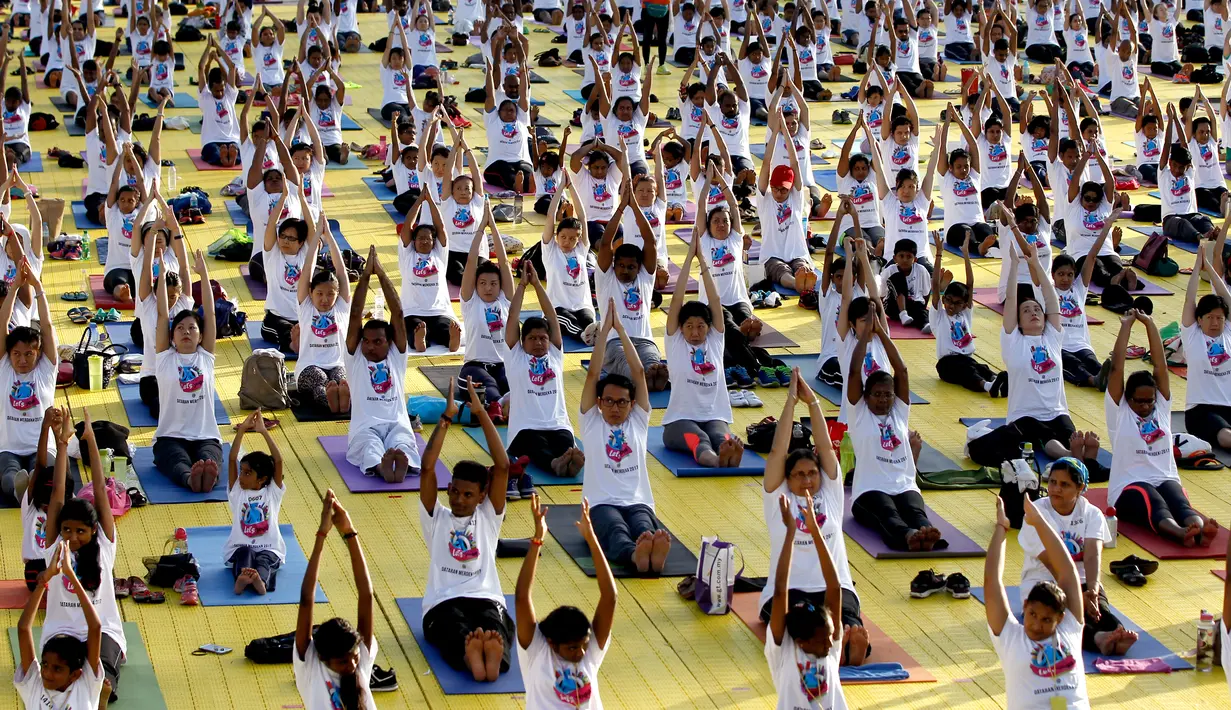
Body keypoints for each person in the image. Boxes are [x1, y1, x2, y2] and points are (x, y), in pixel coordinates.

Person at [967, 230, 1109, 485]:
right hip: (1026, 415)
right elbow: (1011, 299)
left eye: (1037, 309)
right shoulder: (1014, 341)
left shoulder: (1053, 337)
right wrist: (1013, 264)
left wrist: (1036, 263)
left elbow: (1051, 298)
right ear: (1018, 321)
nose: (1034, 312)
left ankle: (1080, 457)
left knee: (1069, 432)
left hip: (1057, 411)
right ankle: (1069, 456)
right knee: (1039, 432)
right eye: (1026, 310)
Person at [760, 370, 868, 665]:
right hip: (790, 589)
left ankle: (850, 639)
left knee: (846, 616)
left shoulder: (830, 493)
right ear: (787, 478)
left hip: (835, 585)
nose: (807, 480)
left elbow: (823, 446)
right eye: (799, 475)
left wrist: (813, 404)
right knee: (798, 623)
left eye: (811, 473)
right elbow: (777, 452)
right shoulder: (779, 497)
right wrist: (790, 404)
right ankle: (827, 641)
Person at [419, 378, 514, 682]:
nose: (459, 499)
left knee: (494, 625)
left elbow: (502, 467)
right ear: (448, 489)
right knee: (453, 627)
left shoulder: (488, 517)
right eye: (455, 492)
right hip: (443, 602)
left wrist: (481, 411)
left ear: (482, 496)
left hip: (486, 599)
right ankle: (472, 654)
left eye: (468, 495)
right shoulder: (436, 516)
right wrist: (447, 418)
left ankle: (488, 655)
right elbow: (427, 468)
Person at [581, 301, 672, 574]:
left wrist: (621, 330)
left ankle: (651, 551)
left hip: (638, 500)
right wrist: (606, 332)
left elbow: (639, 372)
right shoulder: (591, 420)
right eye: (609, 401)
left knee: (644, 526)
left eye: (622, 402)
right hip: (601, 503)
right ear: (599, 402)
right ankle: (636, 556)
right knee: (615, 530)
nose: (615, 407)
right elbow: (595, 373)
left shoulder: (638, 421)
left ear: (632, 405)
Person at [41, 409, 125, 702]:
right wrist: (61, 445)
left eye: (80, 531)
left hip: (102, 632)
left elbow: (100, 489)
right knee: (61, 680)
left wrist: (90, 440)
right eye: (66, 530)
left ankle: (104, 690)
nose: (72, 537)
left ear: (93, 530)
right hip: (62, 633)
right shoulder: (54, 547)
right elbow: (58, 495)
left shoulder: (105, 543)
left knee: (100, 674)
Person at [846, 305, 941, 553]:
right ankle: (908, 535)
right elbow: (855, 371)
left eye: (887, 395)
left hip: (904, 485)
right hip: (870, 491)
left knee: (915, 511)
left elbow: (902, 371)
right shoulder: (860, 414)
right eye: (877, 395)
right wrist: (866, 334)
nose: (883, 399)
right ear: (866, 397)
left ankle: (925, 532)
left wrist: (882, 333)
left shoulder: (899, 412)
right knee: (888, 513)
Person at [1022, 455, 1139, 656]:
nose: (1056, 489)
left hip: (1083, 582)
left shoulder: (1091, 513)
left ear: (1080, 488)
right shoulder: (1036, 513)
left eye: (1064, 484)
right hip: (1045, 582)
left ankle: (1116, 632)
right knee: (1058, 616)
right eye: (1053, 482)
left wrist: (1092, 591)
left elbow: (1093, 555)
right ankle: (1098, 639)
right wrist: (1076, 597)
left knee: (1099, 609)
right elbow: (1051, 563)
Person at [986, 495, 1090, 709]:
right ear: (1024, 607)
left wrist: (1038, 521)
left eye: (1046, 619)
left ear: (1060, 618)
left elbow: (1068, 572)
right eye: (1033, 615)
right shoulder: (1010, 637)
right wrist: (1001, 529)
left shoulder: (1070, 628)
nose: (1036, 624)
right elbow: (992, 581)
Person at [517, 492, 616, 706]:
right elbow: (522, 597)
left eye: (583, 645)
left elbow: (610, 597)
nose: (581, 653)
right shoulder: (537, 651)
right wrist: (537, 540)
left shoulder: (589, 652)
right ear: (552, 643)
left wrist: (592, 539)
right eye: (572, 648)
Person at [662, 224, 746, 466]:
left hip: (714, 415)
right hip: (679, 422)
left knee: (722, 437)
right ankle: (717, 461)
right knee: (699, 439)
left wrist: (705, 264)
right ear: (680, 328)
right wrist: (690, 258)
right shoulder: (675, 339)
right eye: (689, 326)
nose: (695, 332)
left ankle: (728, 453)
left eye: (700, 326)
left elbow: (715, 298)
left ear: (709, 328)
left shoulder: (715, 339)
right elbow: (677, 298)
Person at [295, 491, 379, 709]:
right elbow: (306, 599)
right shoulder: (311, 663)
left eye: (353, 657)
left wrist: (350, 533)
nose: (352, 664)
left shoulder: (360, 662)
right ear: (322, 658)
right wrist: (321, 535)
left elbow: (366, 596)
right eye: (343, 661)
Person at [505, 262, 584, 490]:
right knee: (536, 445)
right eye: (532, 338)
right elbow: (512, 317)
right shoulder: (516, 357)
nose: (539, 342)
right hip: (525, 429)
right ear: (522, 342)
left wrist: (539, 285)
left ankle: (565, 462)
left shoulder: (555, 354)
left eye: (543, 338)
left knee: (564, 443)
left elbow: (552, 314)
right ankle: (556, 465)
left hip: (558, 425)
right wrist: (522, 285)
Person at [766, 490, 848, 708]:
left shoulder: (830, 649)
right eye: (823, 640)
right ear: (802, 642)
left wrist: (814, 530)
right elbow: (780, 591)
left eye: (830, 636)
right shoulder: (783, 650)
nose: (831, 643)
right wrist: (790, 533)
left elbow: (834, 587)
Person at [345, 246, 420, 483]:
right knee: (369, 447)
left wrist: (382, 274)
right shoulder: (355, 357)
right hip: (365, 428)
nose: (369, 347)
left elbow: (397, 313)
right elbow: (355, 313)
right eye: (366, 342)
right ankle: (382, 468)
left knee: (404, 443)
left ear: (389, 342)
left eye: (377, 342)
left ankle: (401, 462)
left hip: (397, 424)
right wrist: (366, 275)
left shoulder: (396, 356)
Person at [152, 250, 222, 492]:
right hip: (170, 436)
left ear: (201, 335)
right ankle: (190, 479)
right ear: (171, 337)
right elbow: (162, 314)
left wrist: (203, 275)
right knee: (174, 460)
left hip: (205, 435)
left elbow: (210, 315)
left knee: (211, 457)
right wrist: (160, 277)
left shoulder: (205, 356)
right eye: (180, 328)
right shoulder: (165, 358)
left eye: (192, 328)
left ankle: (207, 475)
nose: (185, 332)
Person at [596, 183, 670, 391]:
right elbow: (604, 244)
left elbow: (650, 242)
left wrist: (635, 206)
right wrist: (621, 209)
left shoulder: (645, 278)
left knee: (652, 363)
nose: (625, 270)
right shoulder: (607, 278)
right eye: (620, 265)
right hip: (614, 343)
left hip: (644, 341)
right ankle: (644, 379)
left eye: (631, 267)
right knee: (628, 366)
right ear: (613, 265)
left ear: (639, 267)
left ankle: (652, 375)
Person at [16, 540, 106, 710]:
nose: (47, 673)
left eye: (57, 669)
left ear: (74, 675)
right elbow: (23, 628)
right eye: (45, 665)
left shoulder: (84, 684)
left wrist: (71, 575)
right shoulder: (35, 684)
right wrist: (44, 580)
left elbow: (95, 628)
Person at [0, 260, 56, 507]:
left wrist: (38, 287)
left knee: (44, 472)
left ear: (39, 353)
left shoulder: (46, 369)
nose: (22, 360)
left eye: (29, 354)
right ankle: (21, 490)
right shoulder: (3, 367)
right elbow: (1, 324)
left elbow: (47, 326)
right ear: (8, 354)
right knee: (8, 475)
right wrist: (13, 290)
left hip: (41, 447)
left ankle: (34, 482)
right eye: (17, 355)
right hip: (8, 448)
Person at [133, 198, 192, 416]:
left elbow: (184, 266)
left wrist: (175, 228)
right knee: (162, 409)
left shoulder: (184, 304)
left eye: (173, 296)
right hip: (152, 377)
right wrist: (153, 233)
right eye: (164, 295)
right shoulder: (149, 305)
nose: (170, 300)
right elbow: (147, 268)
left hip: (177, 372)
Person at [931, 232, 1005, 396]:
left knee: (981, 367)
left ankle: (997, 381)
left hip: (967, 358)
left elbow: (970, 284)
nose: (951, 305)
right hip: (946, 364)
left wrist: (965, 253)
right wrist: (938, 254)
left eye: (957, 303)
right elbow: (935, 287)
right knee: (967, 372)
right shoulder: (940, 316)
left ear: (965, 304)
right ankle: (988, 386)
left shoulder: (965, 314)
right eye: (948, 300)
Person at [294, 207, 352, 414]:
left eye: (330, 294)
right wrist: (316, 237)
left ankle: (341, 400)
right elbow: (307, 269)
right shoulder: (306, 306)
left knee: (342, 380)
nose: (325, 299)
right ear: (311, 292)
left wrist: (329, 236)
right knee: (320, 382)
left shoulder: (342, 306)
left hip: (337, 363)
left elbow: (341, 271)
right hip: (310, 365)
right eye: (319, 294)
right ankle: (334, 402)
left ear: (337, 295)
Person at [459, 201, 515, 415]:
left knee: (512, 384)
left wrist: (494, 226)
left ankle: (506, 405)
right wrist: (482, 227)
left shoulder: (505, 300)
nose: (488, 288)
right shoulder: (471, 301)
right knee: (489, 388)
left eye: (493, 283)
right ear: (475, 285)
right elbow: (472, 261)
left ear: (500, 286)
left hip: (503, 365)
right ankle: (498, 406)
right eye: (482, 283)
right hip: (475, 366)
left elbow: (504, 262)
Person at [226, 411, 286, 596]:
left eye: (247, 473)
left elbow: (278, 460)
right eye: (241, 471)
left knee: (264, 560)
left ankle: (260, 581)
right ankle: (243, 579)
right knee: (244, 555)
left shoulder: (272, 493)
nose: (241, 476)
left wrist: (263, 432)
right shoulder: (238, 492)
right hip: (240, 546)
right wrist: (242, 430)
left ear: (262, 479)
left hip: (270, 548)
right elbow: (231, 459)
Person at [400, 189, 462, 354]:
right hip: (412, 311)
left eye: (428, 238)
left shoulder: (439, 255)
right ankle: (420, 342)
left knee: (444, 329)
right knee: (413, 329)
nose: (425, 241)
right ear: (414, 241)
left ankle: (451, 341)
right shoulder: (408, 255)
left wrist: (431, 203)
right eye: (420, 238)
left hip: (438, 311)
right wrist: (419, 201)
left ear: (434, 241)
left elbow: (440, 227)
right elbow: (407, 226)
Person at [20, 407, 70, 591]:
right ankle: (23, 489)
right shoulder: (34, 508)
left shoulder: (64, 506)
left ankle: (23, 488)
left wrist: (59, 435)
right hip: (36, 567)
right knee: (38, 471)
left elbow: (64, 476)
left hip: (60, 564)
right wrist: (45, 428)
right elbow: (40, 466)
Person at [482, 57, 533, 191]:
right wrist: (489, 72)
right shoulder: (493, 120)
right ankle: (516, 185)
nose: (509, 113)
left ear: (517, 113)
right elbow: (489, 96)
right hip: (496, 164)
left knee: (526, 170)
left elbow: (524, 94)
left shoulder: (522, 119)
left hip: (520, 162)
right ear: (498, 112)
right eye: (505, 110)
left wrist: (523, 73)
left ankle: (528, 183)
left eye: (512, 110)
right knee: (506, 171)